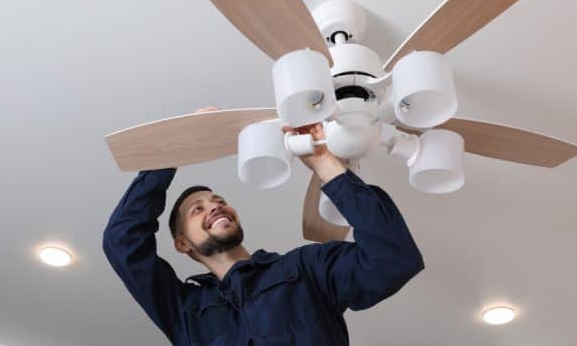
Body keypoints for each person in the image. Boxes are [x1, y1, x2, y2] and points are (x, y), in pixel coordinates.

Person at [103, 106, 424, 345]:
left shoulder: (307, 269)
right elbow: (122, 241)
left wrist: (327, 166)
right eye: (197, 209)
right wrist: (179, 147)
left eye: (218, 200)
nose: (214, 206)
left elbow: (393, 259)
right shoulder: (185, 311)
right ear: (182, 243)